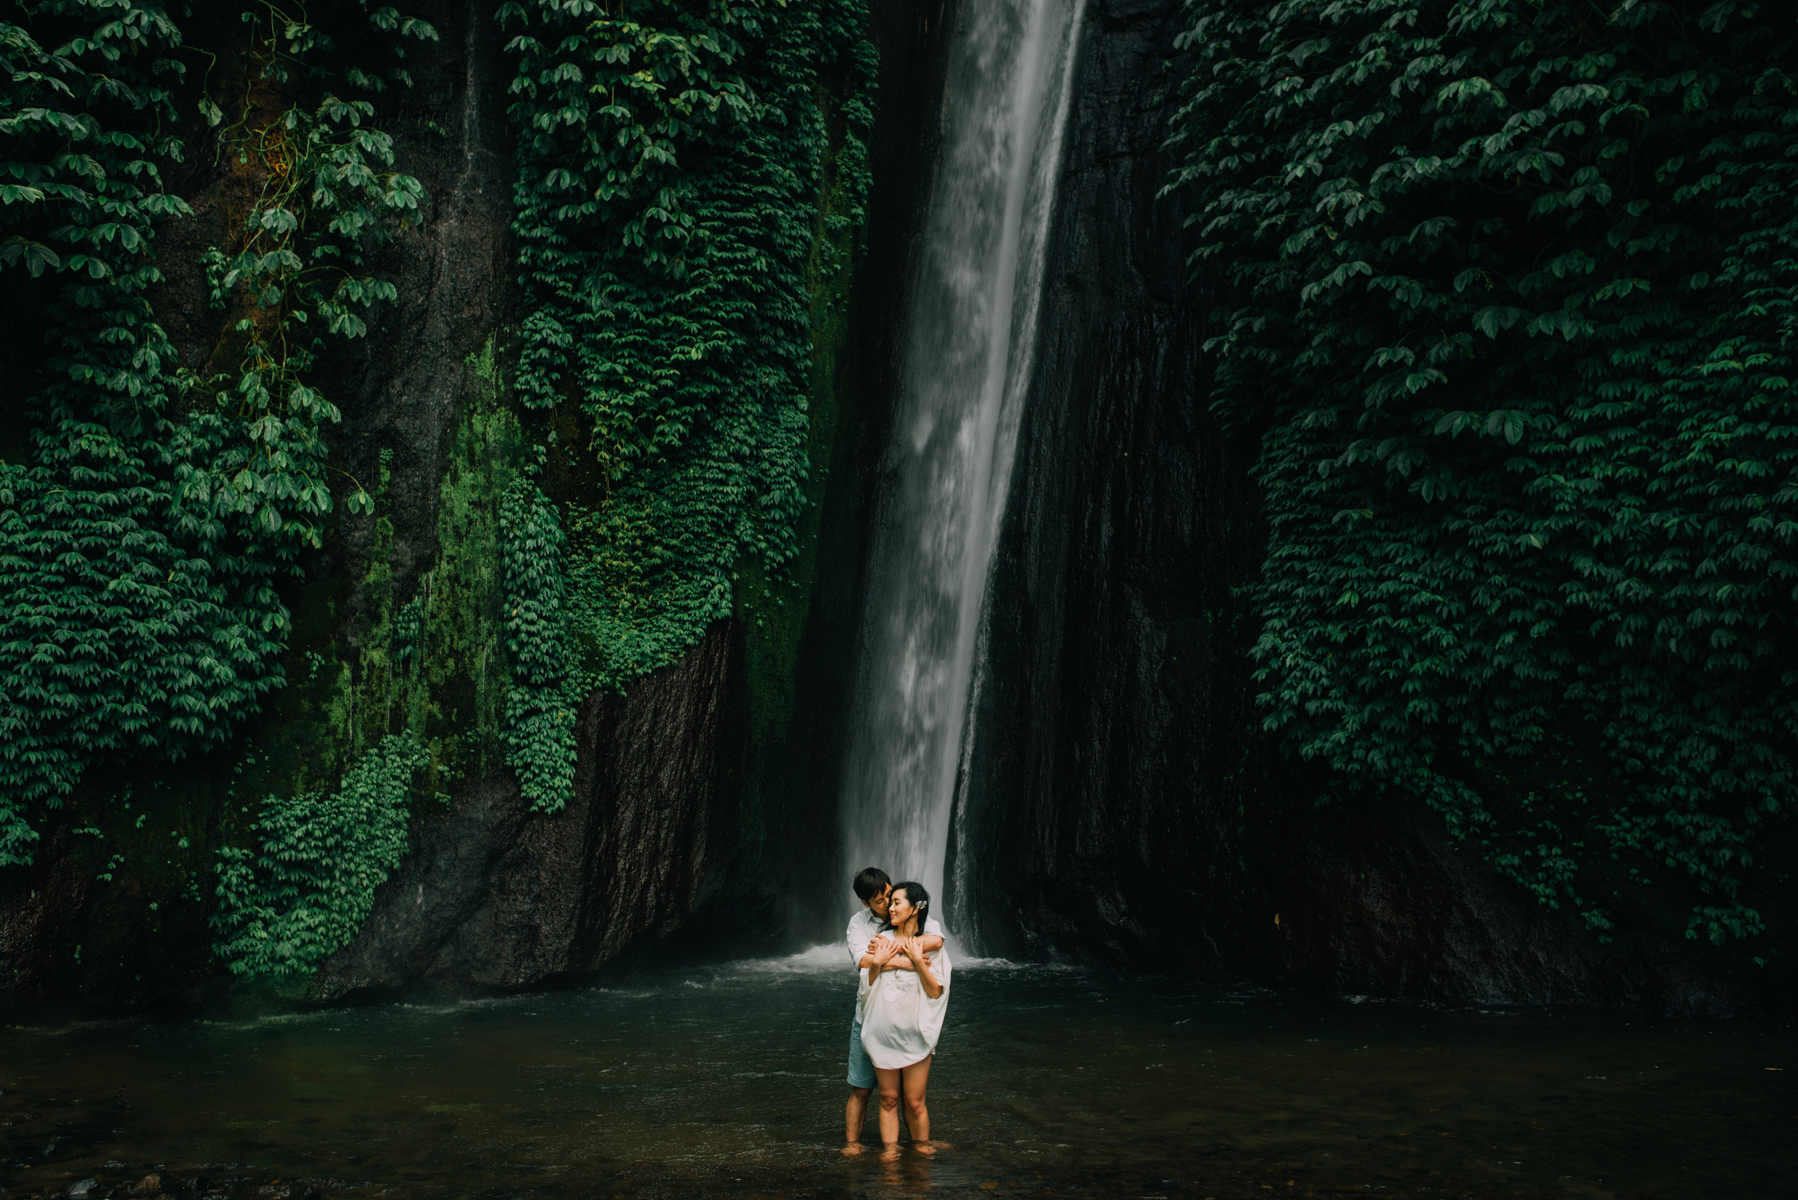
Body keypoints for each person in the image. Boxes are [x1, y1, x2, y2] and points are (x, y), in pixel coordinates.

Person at [843, 867, 942, 1156]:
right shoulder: (859, 924)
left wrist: (891, 948)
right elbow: (863, 960)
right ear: (865, 903)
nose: (888, 904)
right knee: (864, 1089)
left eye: (890, 895)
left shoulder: (909, 911)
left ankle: (917, 1144)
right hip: (870, 1017)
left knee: (912, 1097)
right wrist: (904, 961)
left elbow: (936, 941)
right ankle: (852, 1144)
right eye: (880, 900)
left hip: (908, 1020)